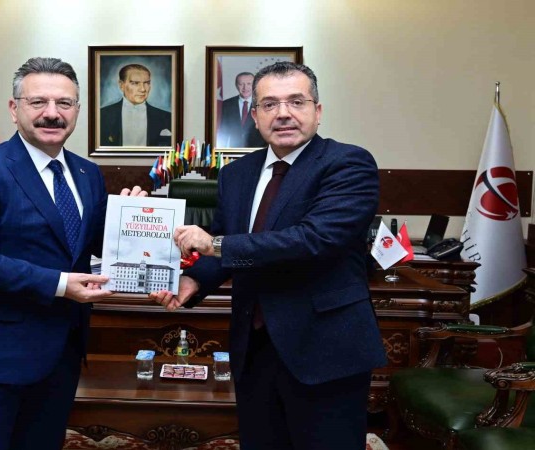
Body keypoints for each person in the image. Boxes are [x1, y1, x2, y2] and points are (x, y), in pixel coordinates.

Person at [150, 61, 386, 450]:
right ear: (255, 116)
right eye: (270, 104)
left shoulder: (348, 163)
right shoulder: (236, 174)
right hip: (254, 347)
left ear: (318, 111)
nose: (284, 113)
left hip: (325, 349)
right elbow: (224, 239)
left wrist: (215, 245)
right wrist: (193, 281)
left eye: (297, 101)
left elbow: (314, 240)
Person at [0, 57, 145, 450]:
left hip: (61, 353)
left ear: (77, 110)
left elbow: (89, 244)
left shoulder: (87, 173)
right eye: (38, 102)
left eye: (64, 103)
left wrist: (131, 219)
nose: (52, 113)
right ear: (14, 108)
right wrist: (60, 284)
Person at [99, 63, 172, 147]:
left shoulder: (167, 118)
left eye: (146, 83)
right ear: (121, 85)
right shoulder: (102, 115)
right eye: (135, 83)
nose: (143, 89)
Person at [216, 71, 265, 148]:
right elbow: (222, 130)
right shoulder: (226, 105)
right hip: (233, 150)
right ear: (236, 85)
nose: (245, 88)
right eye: (241, 84)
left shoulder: (263, 104)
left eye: (249, 84)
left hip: (258, 149)